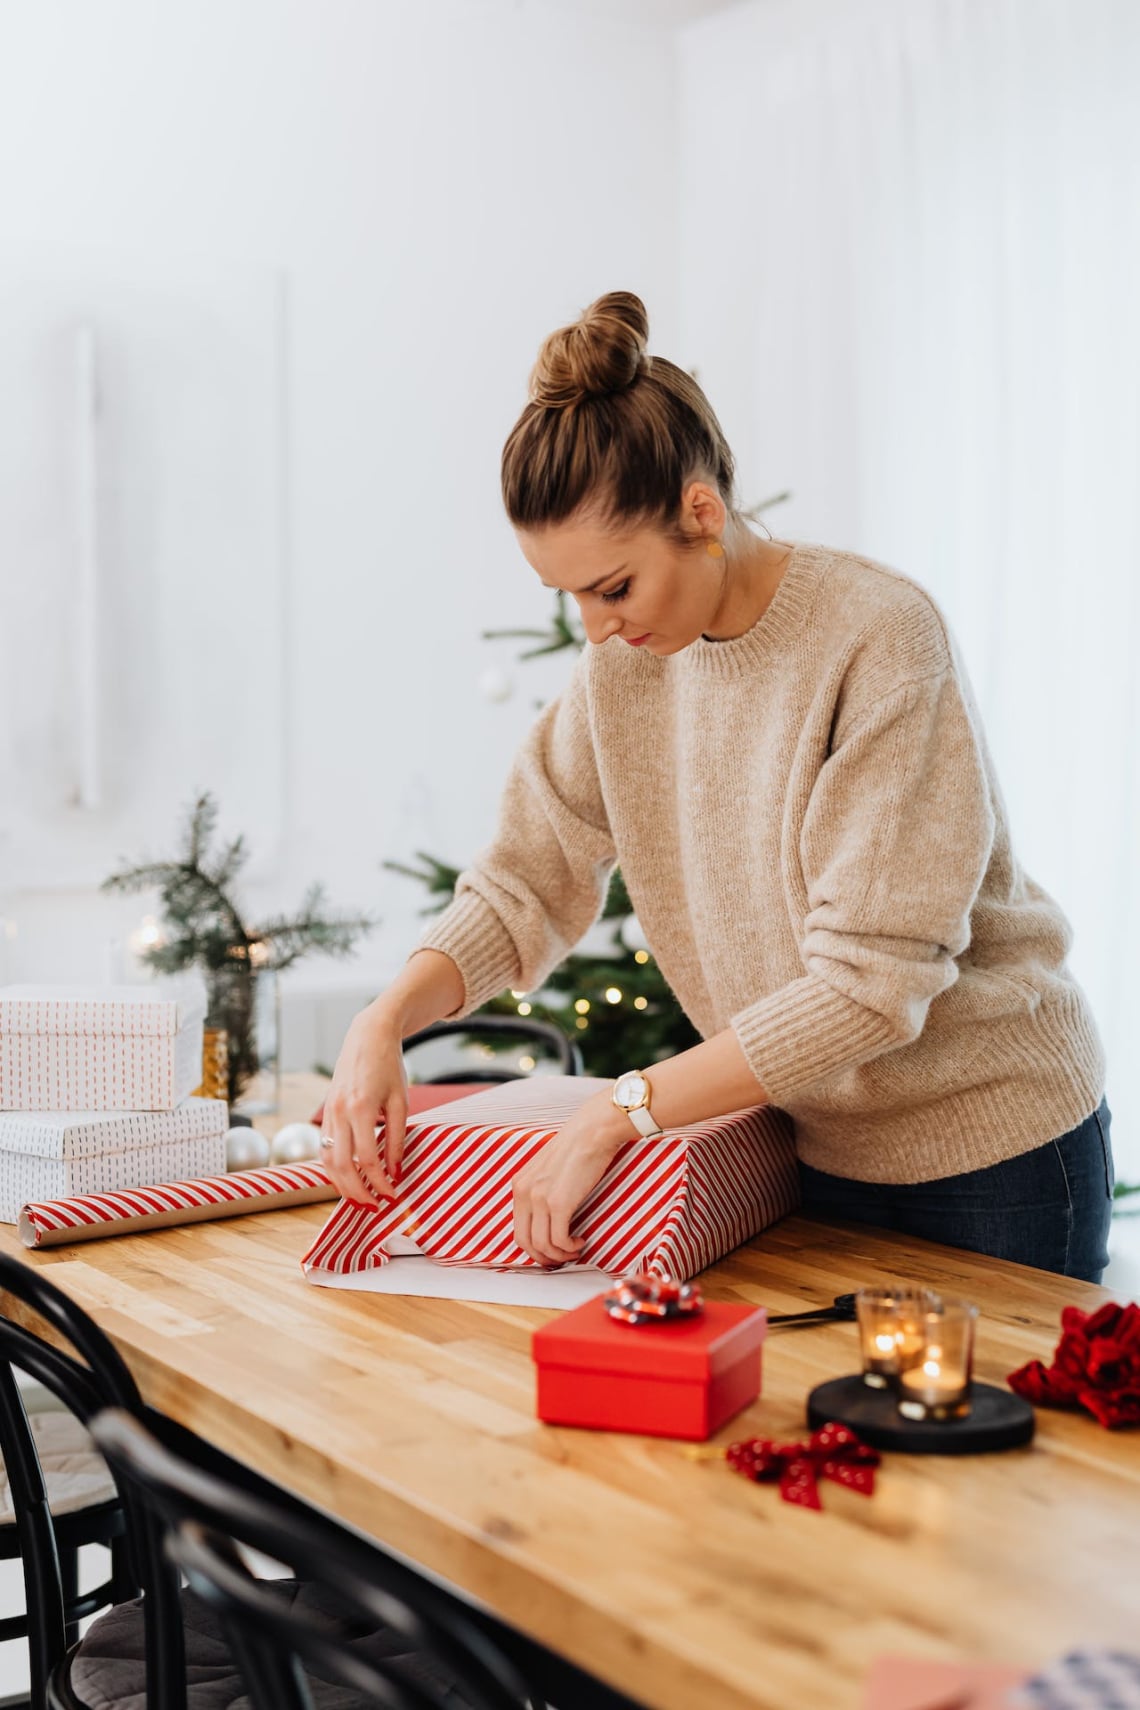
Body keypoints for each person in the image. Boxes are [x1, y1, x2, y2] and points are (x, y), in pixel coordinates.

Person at [321, 290, 1113, 1283]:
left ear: (702, 513)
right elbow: (526, 878)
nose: (594, 627)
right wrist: (383, 1019)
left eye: (613, 587)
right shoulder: (622, 670)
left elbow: (873, 986)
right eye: (568, 596)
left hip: (994, 1155)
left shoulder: (877, 636)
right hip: (806, 1147)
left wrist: (623, 1110)